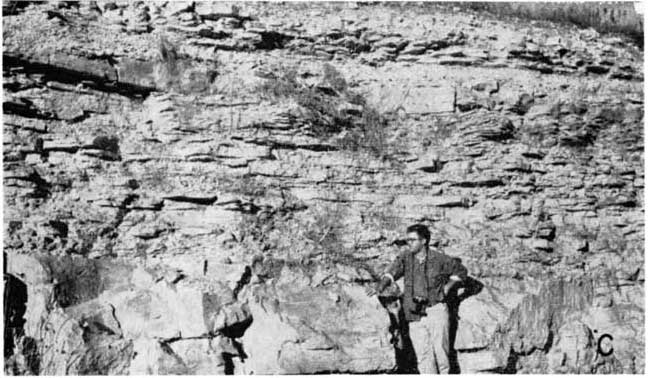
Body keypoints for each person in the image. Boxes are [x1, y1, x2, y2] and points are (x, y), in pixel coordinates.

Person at [367, 224, 468, 374]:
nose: (409, 243)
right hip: (414, 313)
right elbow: (391, 273)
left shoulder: (439, 259)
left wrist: (449, 286)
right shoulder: (405, 258)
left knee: (442, 354)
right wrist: (380, 286)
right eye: (407, 240)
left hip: (436, 310)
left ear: (424, 241)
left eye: (413, 240)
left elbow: (461, 271)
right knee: (423, 357)